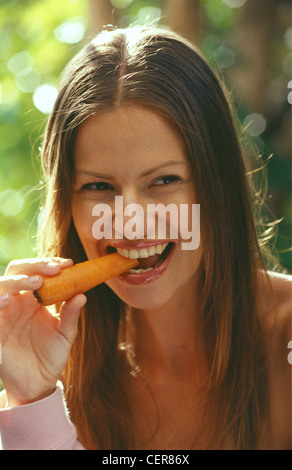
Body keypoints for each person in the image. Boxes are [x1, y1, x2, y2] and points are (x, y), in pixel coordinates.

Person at [0, 25, 291, 450]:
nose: (130, 222)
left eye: (164, 180)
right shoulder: (52, 369)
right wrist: (33, 400)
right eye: (99, 187)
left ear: (218, 184)